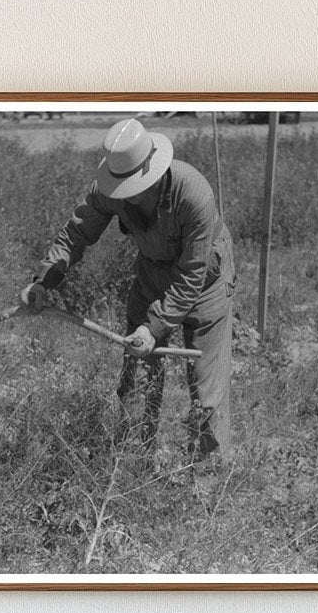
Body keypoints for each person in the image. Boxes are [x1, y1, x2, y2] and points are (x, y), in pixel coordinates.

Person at [19, 117, 235, 461]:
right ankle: (134, 463)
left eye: (136, 186)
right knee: (137, 371)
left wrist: (156, 327)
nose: (128, 195)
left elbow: (192, 272)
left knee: (207, 387)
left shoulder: (193, 194)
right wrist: (44, 281)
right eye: (123, 189)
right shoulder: (110, 190)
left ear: (154, 169)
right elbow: (76, 234)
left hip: (206, 278)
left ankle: (208, 481)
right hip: (152, 272)